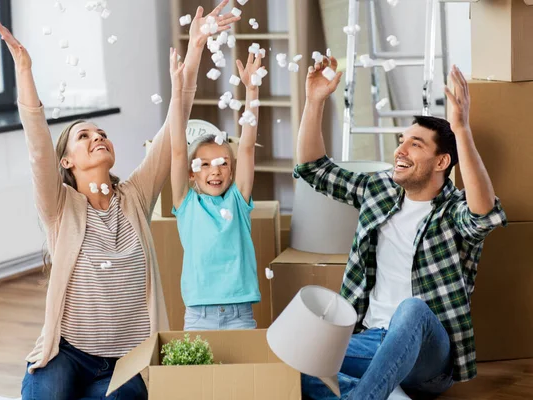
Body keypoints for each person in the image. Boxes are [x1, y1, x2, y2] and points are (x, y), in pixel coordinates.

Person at [0, 2, 239, 398]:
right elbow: (38, 148)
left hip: (129, 358)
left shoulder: (136, 197)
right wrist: (24, 71)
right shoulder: (60, 208)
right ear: (67, 161)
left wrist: (195, 47)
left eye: (101, 132)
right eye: (84, 136)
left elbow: (175, 123)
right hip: (68, 354)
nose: (97, 137)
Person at [297, 56, 507, 399]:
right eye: (401, 139)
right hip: (368, 340)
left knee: (411, 309)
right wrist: (315, 100)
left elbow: (484, 214)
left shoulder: (454, 211)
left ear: (442, 162)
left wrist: (461, 129)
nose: (400, 150)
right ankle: (386, 392)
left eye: (415, 144)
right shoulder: (378, 190)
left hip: (428, 357)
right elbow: (313, 169)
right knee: (296, 356)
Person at [170, 52, 263, 331]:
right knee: (196, 376)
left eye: (223, 163)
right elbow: (176, 151)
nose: (216, 170)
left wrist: (252, 89)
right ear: (191, 173)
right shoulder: (186, 204)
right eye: (205, 164)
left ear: (232, 170)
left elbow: (246, 146)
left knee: (243, 376)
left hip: (239, 314)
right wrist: (176, 91)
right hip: (198, 315)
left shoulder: (238, 200)